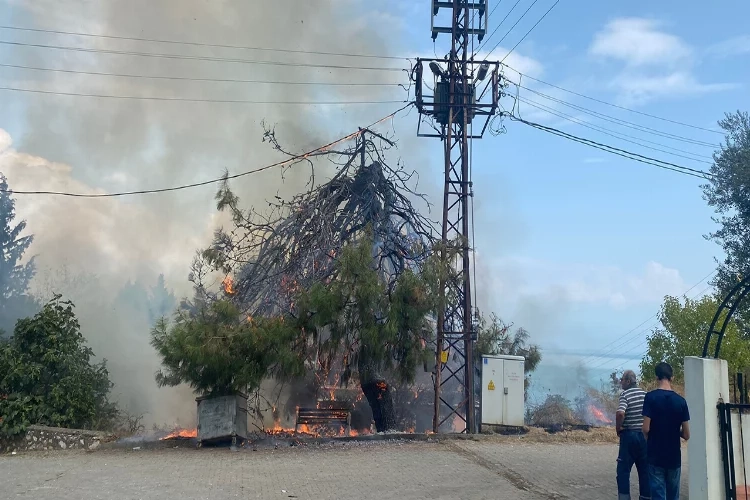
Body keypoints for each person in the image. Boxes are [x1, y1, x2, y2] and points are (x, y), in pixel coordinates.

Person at [642, 362, 690, 500]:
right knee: (673, 495)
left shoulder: (650, 398)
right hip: (674, 456)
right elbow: (686, 434)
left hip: (655, 455)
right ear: (672, 378)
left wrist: (649, 439)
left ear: (657, 377)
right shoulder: (681, 401)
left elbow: (645, 428)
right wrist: (675, 431)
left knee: (658, 495)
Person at [615, 370, 650, 500]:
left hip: (629, 436)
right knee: (645, 471)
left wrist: (618, 428)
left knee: (623, 471)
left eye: (622, 379)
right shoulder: (645, 394)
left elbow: (620, 413)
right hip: (644, 437)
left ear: (628, 381)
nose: (621, 382)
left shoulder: (625, 394)